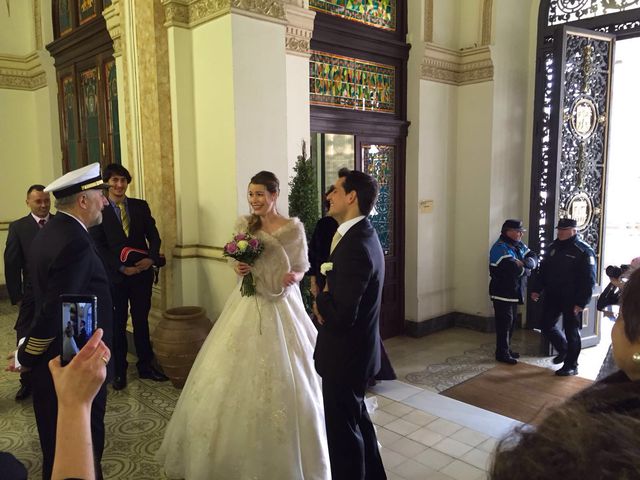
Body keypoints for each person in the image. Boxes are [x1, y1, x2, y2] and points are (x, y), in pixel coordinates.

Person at [157, 171, 329, 479]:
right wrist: (238, 266)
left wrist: (294, 279)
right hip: (247, 302)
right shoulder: (244, 225)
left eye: (260, 194)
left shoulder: (292, 229)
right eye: (251, 195)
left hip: (280, 302)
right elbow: (232, 257)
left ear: (274, 195)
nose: (254, 201)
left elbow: (303, 267)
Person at [6, 162, 113, 480]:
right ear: (83, 200)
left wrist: (27, 344)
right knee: (81, 442)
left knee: (56, 440)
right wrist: (28, 353)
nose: (105, 202)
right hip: (68, 364)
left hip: (55, 358)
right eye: (101, 195)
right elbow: (58, 309)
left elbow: (41, 296)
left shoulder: (52, 231)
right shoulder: (74, 241)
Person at [490, 267, 640, 480]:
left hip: (572, 304)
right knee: (550, 327)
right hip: (553, 300)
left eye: (620, 317)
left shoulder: (593, 437)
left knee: (572, 334)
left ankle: (570, 362)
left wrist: (581, 300)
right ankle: (564, 354)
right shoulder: (619, 387)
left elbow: (587, 278)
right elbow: (540, 270)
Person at [313, 168, 387, 480]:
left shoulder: (355, 245)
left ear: (351, 197)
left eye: (334, 190)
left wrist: (319, 297)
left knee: (343, 439)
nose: (328, 196)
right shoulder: (361, 233)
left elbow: (341, 315)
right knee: (357, 423)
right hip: (357, 354)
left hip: (345, 358)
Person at [90, 163, 167, 390]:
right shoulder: (99, 210)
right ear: (107, 184)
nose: (119, 185)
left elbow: (154, 236)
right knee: (117, 323)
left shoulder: (139, 206)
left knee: (142, 321)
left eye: (123, 180)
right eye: (114, 180)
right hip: (116, 277)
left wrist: (151, 259)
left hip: (142, 274)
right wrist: (121, 268)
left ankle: (145, 366)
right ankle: (119, 371)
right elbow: (99, 246)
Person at [3, 184, 53, 400]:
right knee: (25, 334)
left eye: (46, 201)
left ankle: (52, 377)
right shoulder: (18, 227)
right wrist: (18, 297)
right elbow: (12, 263)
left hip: (56, 291)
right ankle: (27, 381)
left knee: (53, 335)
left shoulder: (60, 223)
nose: (43, 205)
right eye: (38, 201)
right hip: (31, 295)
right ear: (28, 202)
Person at [530, 218, 596, 376]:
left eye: (564, 230)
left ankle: (571, 365)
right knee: (546, 325)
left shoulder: (583, 250)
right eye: (559, 229)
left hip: (572, 298)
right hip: (553, 295)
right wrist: (537, 289)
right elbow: (543, 271)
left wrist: (581, 302)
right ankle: (564, 349)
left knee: (571, 331)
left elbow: (589, 280)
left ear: (574, 230)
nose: (560, 232)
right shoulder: (553, 247)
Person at [489, 219, 538, 364]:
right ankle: (502, 353)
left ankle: (506, 349)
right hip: (502, 292)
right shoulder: (500, 248)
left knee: (511, 323)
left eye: (521, 232)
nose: (521, 235)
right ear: (508, 232)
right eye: (518, 232)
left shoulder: (518, 245)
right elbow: (513, 269)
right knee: (504, 323)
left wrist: (526, 264)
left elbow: (534, 257)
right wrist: (526, 269)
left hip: (514, 292)